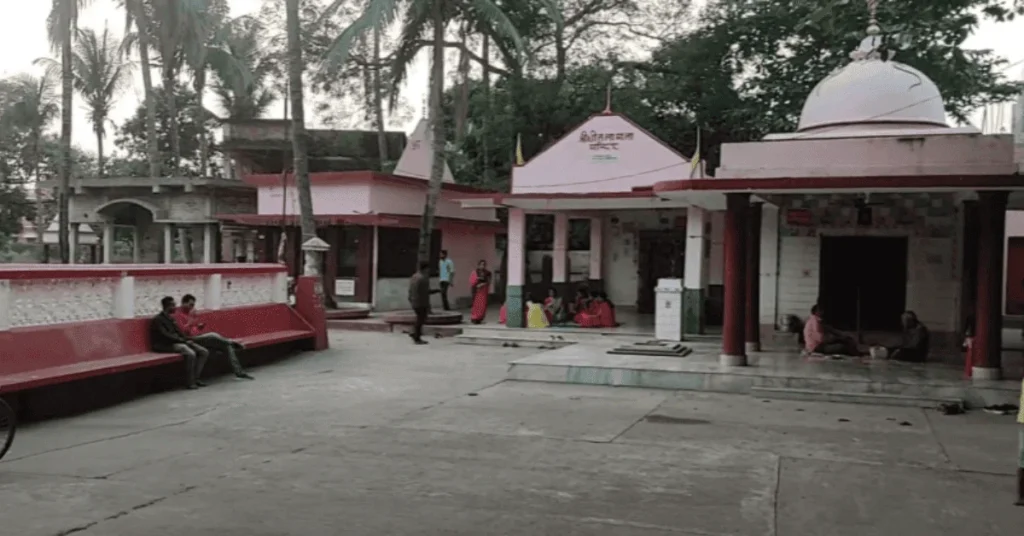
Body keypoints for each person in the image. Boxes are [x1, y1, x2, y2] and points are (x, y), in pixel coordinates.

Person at [174, 294, 254, 380]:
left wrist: (198, 327)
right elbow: (183, 332)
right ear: (183, 303)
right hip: (189, 339)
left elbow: (194, 328)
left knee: (227, 346)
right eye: (190, 305)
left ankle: (239, 372)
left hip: (199, 337)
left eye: (193, 305)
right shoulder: (177, 314)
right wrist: (191, 319)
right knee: (212, 335)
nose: (192, 307)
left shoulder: (191, 313)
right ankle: (231, 341)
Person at [150, 296, 209, 390]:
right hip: (165, 345)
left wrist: (187, 340)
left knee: (203, 351)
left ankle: (196, 378)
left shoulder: (171, 319)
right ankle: (190, 382)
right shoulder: (158, 320)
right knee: (190, 353)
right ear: (167, 306)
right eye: (173, 305)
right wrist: (183, 341)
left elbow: (179, 332)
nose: (175, 307)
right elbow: (166, 335)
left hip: (177, 342)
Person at [408, 261, 435, 344]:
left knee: (419, 318)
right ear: (426, 269)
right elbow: (426, 292)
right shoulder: (423, 278)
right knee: (421, 319)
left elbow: (410, 290)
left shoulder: (414, 276)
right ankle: (416, 337)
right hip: (421, 302)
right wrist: (437, 291)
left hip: (413, 301)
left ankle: (414, 333)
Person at [469, 260, 492, 324]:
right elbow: (472, 280)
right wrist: (477, 284)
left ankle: (479, 318)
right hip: (476, 290)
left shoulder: (488, 273)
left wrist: (482, 284)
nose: (482, 266)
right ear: (478, 265)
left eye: (484, 265)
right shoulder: (475, 272)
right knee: (475, 304)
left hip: (483, 290)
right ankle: (474, 317)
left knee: (482, 304)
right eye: (481, 264)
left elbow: (488, 282)